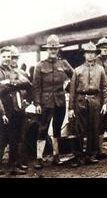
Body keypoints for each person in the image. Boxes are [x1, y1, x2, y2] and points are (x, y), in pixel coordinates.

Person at [32, 34, 73, 169]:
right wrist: (37, 103)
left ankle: (56, 155)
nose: (53, 51)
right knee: (43, 128)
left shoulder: (63, 63)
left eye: (55, 48)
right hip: (45, 102)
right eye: (51, 48)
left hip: (60, 101)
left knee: (57, 128)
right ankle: (39, 158)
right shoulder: (40, 65)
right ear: (47, 49)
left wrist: (68, 87)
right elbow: (36, 86)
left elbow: (75, 77)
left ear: (58, 49)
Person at [68, 42, 107, 166]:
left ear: (95, 54)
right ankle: (79, 156)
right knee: (79, 129)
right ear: (84, 54)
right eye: (88, 53)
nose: (90, 55)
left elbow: (105, 88)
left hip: (95, 101)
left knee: (94, 128)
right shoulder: (77, 70)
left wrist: (105, 103)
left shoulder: (100, 69)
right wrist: (71, 108)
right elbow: (72, 91)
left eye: (93, 53)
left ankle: (90, 155)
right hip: (80, 101)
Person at [0, 46, 31, 175]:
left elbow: (27, 84)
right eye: (5, 57)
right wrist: (2, 113)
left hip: (15, 108)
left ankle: (14, 165)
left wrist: (10, 83)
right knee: (2, 139)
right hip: (4, 110)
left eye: (10, 57)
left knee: (15, 138)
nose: (8, 59)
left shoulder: (13, 71)